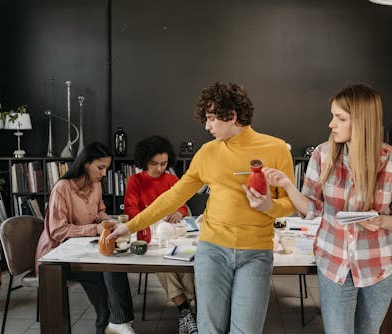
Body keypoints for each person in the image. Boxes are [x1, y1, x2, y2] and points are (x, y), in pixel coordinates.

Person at [108, 82, 295, 334]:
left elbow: (289, 204)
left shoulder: (276, 149)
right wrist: (130, 227)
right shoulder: (207, 152)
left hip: (256, 253)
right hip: (212, 251)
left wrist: (269, 205)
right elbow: (173, 197)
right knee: (210, 330)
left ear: (231, 116)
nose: (207, 126)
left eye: (211, 119)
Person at [246, 83, 392, 334]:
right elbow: (312, 208)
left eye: (340, 118)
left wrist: (380, 221)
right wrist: (287, 186)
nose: (331, 124)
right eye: (333, 116)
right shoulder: (322, 155)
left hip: (379, 264)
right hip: (333, 262)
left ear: (362, 121)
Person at [35, 142, 136, 334]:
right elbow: (57, 231)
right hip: (56, 256)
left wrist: (110, 224)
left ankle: (120, 322)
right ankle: (115, 323)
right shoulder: (62, 188)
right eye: (100, 167)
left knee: (115, 263)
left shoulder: (95, 185)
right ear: (85, 164)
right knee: (106, 271)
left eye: (106, 168)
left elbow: (100, 212)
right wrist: (94, 229)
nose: (104, 173)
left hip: (82, 250)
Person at [124, 135, 197, 334]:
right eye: (154, 164)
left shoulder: (172, 179)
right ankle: (186, 311)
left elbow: (182, 206)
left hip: (173, 232)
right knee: (163, 263)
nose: (159, 168)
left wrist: (179, 212)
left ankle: (188, 312)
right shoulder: (135, 180)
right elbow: (131, 210)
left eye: (164, 164)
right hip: (147, 232)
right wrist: (147, 221)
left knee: (185, 262)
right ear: (144, 162)